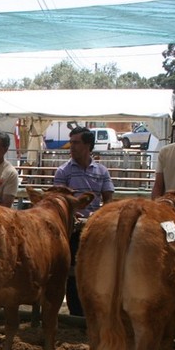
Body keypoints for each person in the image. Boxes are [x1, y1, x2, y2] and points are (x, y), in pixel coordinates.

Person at [53, 126, 115, 316]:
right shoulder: (63, 171)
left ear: (88, 145)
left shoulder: (101, 171)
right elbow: (59, 199)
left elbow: (108, 199)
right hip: (72, 228)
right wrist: (73, 215)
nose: (72, 146)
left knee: (96, 267)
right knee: (72, 270)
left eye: (76, 143)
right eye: (71, 142)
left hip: (95, 227)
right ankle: (76, 312)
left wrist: (100, 216)